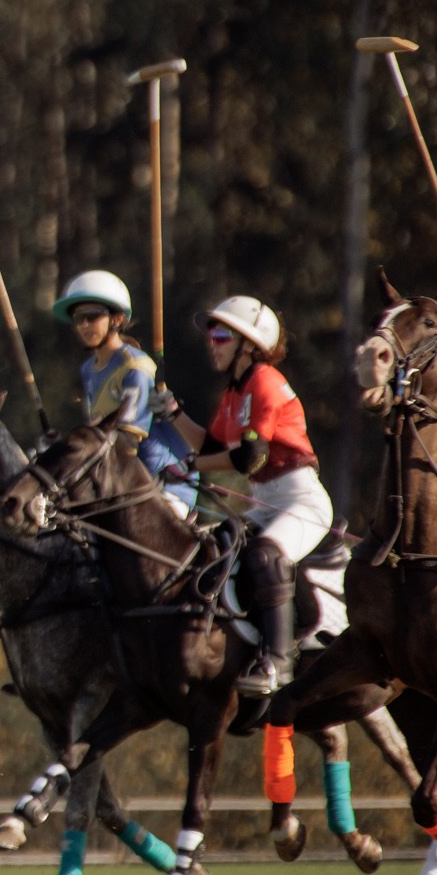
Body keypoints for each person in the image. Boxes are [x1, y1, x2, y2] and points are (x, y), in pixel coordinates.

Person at [155, 296, 330, 695]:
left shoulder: (265, 380)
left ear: (250, 344)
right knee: (219, 545)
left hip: (301, 500)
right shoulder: (235, 392)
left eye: (221, 335)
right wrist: (173, 413)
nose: (211, 343)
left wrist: (191, 466)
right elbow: (211, 447)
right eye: (211, 336)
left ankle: (279, 663)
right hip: (265, 500)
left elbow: (251, 456)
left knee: (265, 555)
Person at [49, 270, 195, 512]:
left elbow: (127, 441)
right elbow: (99, 432)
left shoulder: (135, 367)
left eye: (92, 316)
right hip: (122, 484)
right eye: (78, 318)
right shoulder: (88, 369)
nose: (84, 325)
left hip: (164, 485)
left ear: (116, 320)